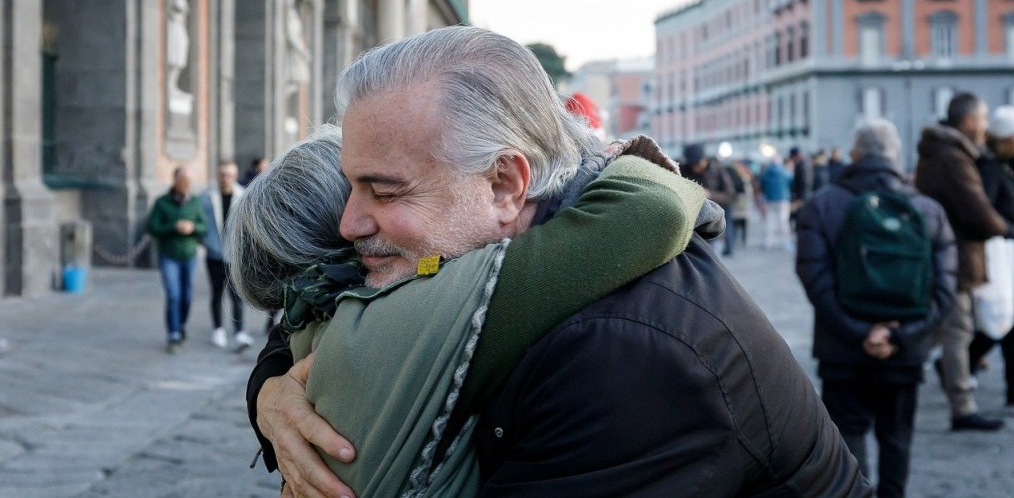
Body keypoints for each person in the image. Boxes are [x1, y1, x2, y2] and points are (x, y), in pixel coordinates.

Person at [248, 26, 870, 498]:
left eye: (385, 192)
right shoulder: (463, 256)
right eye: (352, 185)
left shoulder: (625, 354)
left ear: (503, 186)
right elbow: (331, 301)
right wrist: (272, 394)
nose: (348, 223)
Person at [227, 124, 709, 496]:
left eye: (384, 191)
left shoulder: (335, 319)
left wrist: (267, 393)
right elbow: (653, 209)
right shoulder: (431, 305)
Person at [796, 120, 956, 498]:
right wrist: (898, 335)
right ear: (896, 156)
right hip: (906, 350)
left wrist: (860, 332)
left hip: (843, 349)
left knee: (848, 437)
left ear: (854, 154)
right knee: (897, 437)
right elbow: (945, 292)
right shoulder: (928, 210)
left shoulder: (822, 205)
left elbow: (815, 280)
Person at [915, 92, 1012, 430]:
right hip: (955, 256)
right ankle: (963, 407)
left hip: (951, 253)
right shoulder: (953, 158)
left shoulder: (945, 153)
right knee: (959, 329)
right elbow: (977, 208)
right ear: (970, 121)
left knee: (945, 329)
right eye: (983, 119)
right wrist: (1003, 227)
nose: (985, 127)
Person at [968, 104, 1014, 406]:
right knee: (1001, 318)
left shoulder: (1004, 165)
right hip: (1000, 252)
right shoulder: (990, 167)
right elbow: (987, 211)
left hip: (1007, 250)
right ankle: (961, 360)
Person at [147, 167, 206, 353]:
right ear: (175, 180)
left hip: (189, 254)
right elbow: (152, 227)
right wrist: (174, 227)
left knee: (187, 296)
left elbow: (204, 227)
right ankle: (173, 333)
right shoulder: (161, 202)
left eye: (188, 181)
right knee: (173, 295)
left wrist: (192, 227)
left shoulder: (195, 202)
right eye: (182, 180)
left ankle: (180, 325)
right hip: (169, 255)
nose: (186, 184)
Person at [199, 160, 253, 351]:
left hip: (234, 255)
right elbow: (200, 222)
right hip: (214, 254)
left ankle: (239, 332)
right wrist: (205, 242)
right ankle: (218, 329)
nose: (225, 178)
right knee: (216, 293)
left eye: (229, 174)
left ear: (235, 175)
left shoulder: (243, 196)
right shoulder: (206, 196)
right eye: (222, 174)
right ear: (217, 175)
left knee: (236, 294)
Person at [681, 143, 738, 256]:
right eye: (692, 165)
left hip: (717, 215)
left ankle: (729, 248)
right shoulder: (685, 170)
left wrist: (710, 194)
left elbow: (730, 195)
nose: (696, 168)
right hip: (696, 221)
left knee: (715, 254)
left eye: (698, 164)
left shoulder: (717, 169)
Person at [760, 155, 794, 250]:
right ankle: (786, 243)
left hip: (770, 199)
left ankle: (768, 242)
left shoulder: (766, 173)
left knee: (769, 222)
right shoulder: (785, 172)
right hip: (783, 199)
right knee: (784, 222)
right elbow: (791, 183)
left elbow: (762, 185)